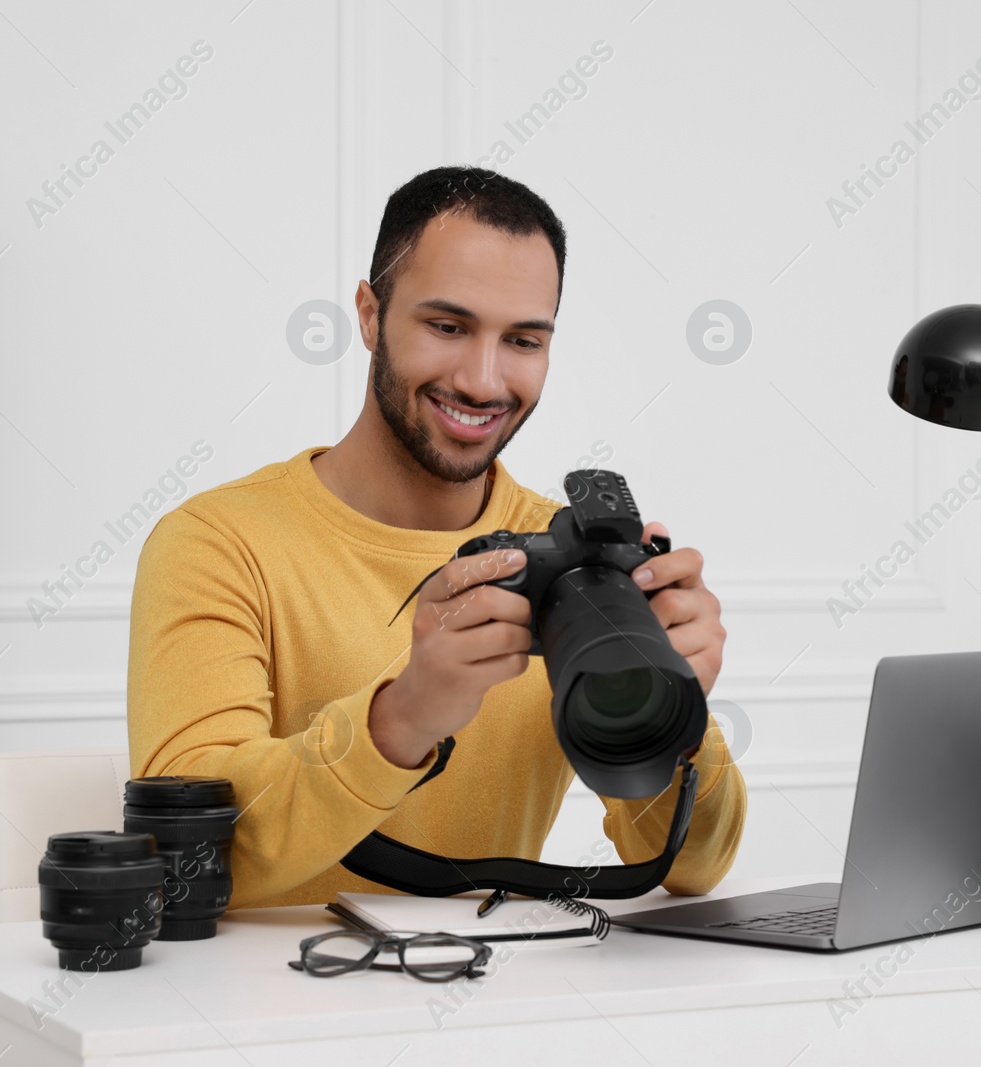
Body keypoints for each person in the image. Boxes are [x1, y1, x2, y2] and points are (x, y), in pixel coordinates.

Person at [127, 166, 746, 910]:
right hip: (260, 1012)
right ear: (368, 313)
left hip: (484, 1009)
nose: (484, 380)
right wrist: (403, 716)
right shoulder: (217, 543)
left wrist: (681, 709)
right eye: (448, 327)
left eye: (522, 339)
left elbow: (692, 868)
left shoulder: (574, 563)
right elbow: (188, 856)